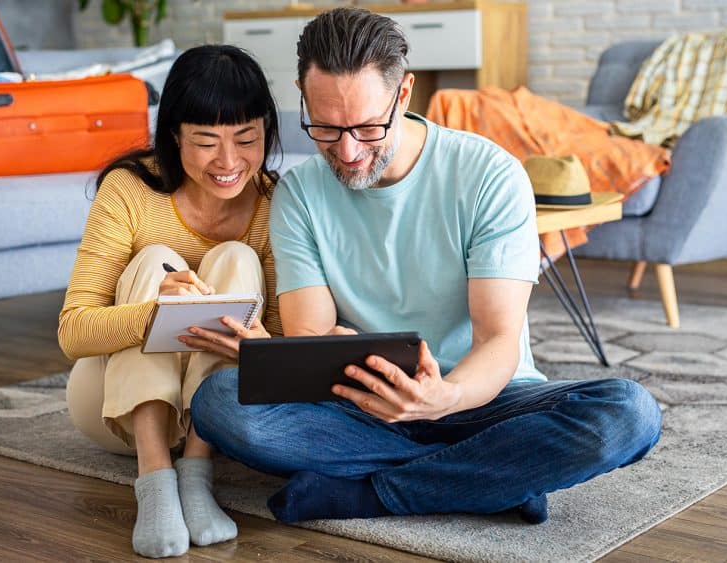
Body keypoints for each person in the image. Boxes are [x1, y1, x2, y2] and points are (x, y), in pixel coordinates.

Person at [190, 8, 662, 525]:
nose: (347, 152)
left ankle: (372, 494)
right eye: (324, 127)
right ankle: (493, 480)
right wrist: (279, 355)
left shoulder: (489, 175)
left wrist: (445, 396)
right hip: (362, 406)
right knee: (219, 404)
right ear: (303, 98)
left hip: (483, 404)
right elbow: (313, 336)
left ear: (404, 94)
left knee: (628, 413)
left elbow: (498, 339)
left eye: (368, 127)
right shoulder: (300, 193)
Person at [57, 45, 283, 558]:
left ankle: (196, 474)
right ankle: (156, 479)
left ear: (266, 132)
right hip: (110, 406)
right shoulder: (131, 189)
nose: (229, 162)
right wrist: (157, 312)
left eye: (246, 139)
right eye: (205, 142)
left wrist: (256, 343)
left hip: (218, 416)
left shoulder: (273, 202)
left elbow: (281, 341)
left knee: (236, 259)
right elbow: (72, 332)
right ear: (174, 134)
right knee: (157, 259)